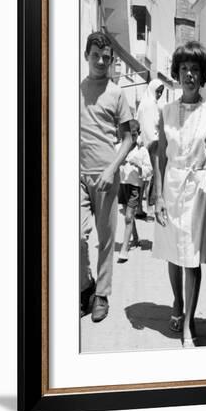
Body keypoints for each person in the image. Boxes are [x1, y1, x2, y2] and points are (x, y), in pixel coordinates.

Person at [152, 41, 206, 347]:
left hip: (197, 189)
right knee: (172, 253)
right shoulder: (166, 111)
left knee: (191, 259)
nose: (189, 74)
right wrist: (158, 196)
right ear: (176, 73)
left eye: (195, 69)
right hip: (171, 185)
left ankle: (189, 322)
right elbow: (161, 156)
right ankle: (177, 302)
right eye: (184, 68)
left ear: (203, 74)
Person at [80, 31, 133, 323]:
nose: (101, 61)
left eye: (106, 57)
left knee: (106, 239)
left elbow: (128, 138)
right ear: (86, 56)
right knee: (76, 236)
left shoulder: (117, 93)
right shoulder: (75, 90)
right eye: (96, 55)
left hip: (106, 177)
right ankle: (86, 285)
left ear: (111, 61)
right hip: (77, 177)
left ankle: (101, 295)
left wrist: (112, 168)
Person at [118, 120, 153, 263]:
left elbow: (149, 170)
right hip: (122, 185)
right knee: (128, 216)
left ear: (138, 134)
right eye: (128, 135)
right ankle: (136, 237)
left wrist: (139, 166)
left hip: (134, 186)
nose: (131, 138)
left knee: (128, 217)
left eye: (134, 135)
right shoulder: (119, 148)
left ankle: (124, 249)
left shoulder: (142, 151)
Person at [135, 79, 165, 219]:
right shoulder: (150, 104)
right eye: (158, 91)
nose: (159, 94)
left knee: (143, 178)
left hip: (143, 143)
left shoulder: (143, 104)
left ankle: (139, 208)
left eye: (161, 92)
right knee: (151, 177)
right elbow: (152, 125)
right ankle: (149, 209)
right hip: (152, 144)